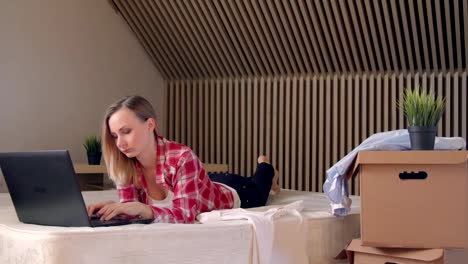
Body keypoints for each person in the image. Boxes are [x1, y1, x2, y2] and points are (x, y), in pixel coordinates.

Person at [87, 95, 280, 224]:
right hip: (204, 183)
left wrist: (145, 209)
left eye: (126, 132)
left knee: (259, 185)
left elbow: (185, 216)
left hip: (235, 193)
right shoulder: (124, 165)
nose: (119, 143)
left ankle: (266, 166)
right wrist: (113, 208)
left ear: (150, 125)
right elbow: (132, 209)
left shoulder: (182, 157)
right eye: (114, 136)